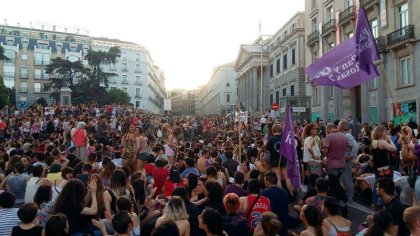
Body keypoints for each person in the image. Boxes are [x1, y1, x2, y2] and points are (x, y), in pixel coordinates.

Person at [371, 125, 397, 209]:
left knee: (377, 185)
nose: (387, 132)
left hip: (377, 167)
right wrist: (389, 139)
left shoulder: (374, 141)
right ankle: (386, 203)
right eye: (385, 131)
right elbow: (393, 148)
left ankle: (374, 203)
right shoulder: (382, 142)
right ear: (382, 132)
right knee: (388, 185)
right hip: (385, 167)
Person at [266, 124, 294, 197]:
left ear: (273, 130)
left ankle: (281, 195)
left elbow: (267, 150)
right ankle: (291, 193)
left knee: (278, 178)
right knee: (286, 178)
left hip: (274, 161)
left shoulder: (271, 139)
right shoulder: (284, 138)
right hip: (283, 159)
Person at [261, 171, 289, 235]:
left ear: (268, 182)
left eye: (265, 181)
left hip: (272, 225)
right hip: (284, 224)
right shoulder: (284, 192)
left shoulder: (264, 193)